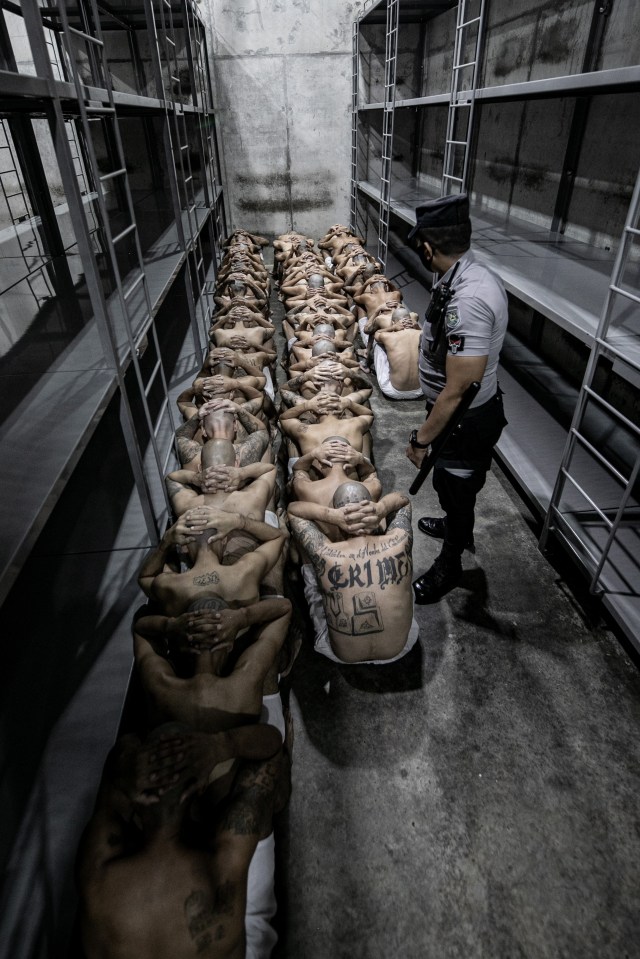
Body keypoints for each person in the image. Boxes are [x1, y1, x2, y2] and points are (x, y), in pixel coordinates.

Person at [76, 722, 289, 959]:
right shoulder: (222, 866)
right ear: (196, 791)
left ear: (135, 795)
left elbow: (122, 749)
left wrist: (128, 767)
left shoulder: (97, 871)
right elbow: (271, 749)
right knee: (255, 815)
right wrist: (221, 745)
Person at [405, 193, 508, 603]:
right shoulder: (467, 275)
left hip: (463, 419)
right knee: (454, 486)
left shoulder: (467, 300)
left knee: (456, 485)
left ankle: (450, 563)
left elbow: (459, 388)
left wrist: (421, 440)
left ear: (428, 248)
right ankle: (455, 525)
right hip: (459, 414)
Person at [288, 482, 418, 664]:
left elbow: (293, 510)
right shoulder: (399, 542)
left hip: (342, 654)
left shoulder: (325, 553)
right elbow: (403, 500)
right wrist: (380, 509)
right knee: (402, 576)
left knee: (312, 567)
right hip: (400, 647)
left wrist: (332, 516)